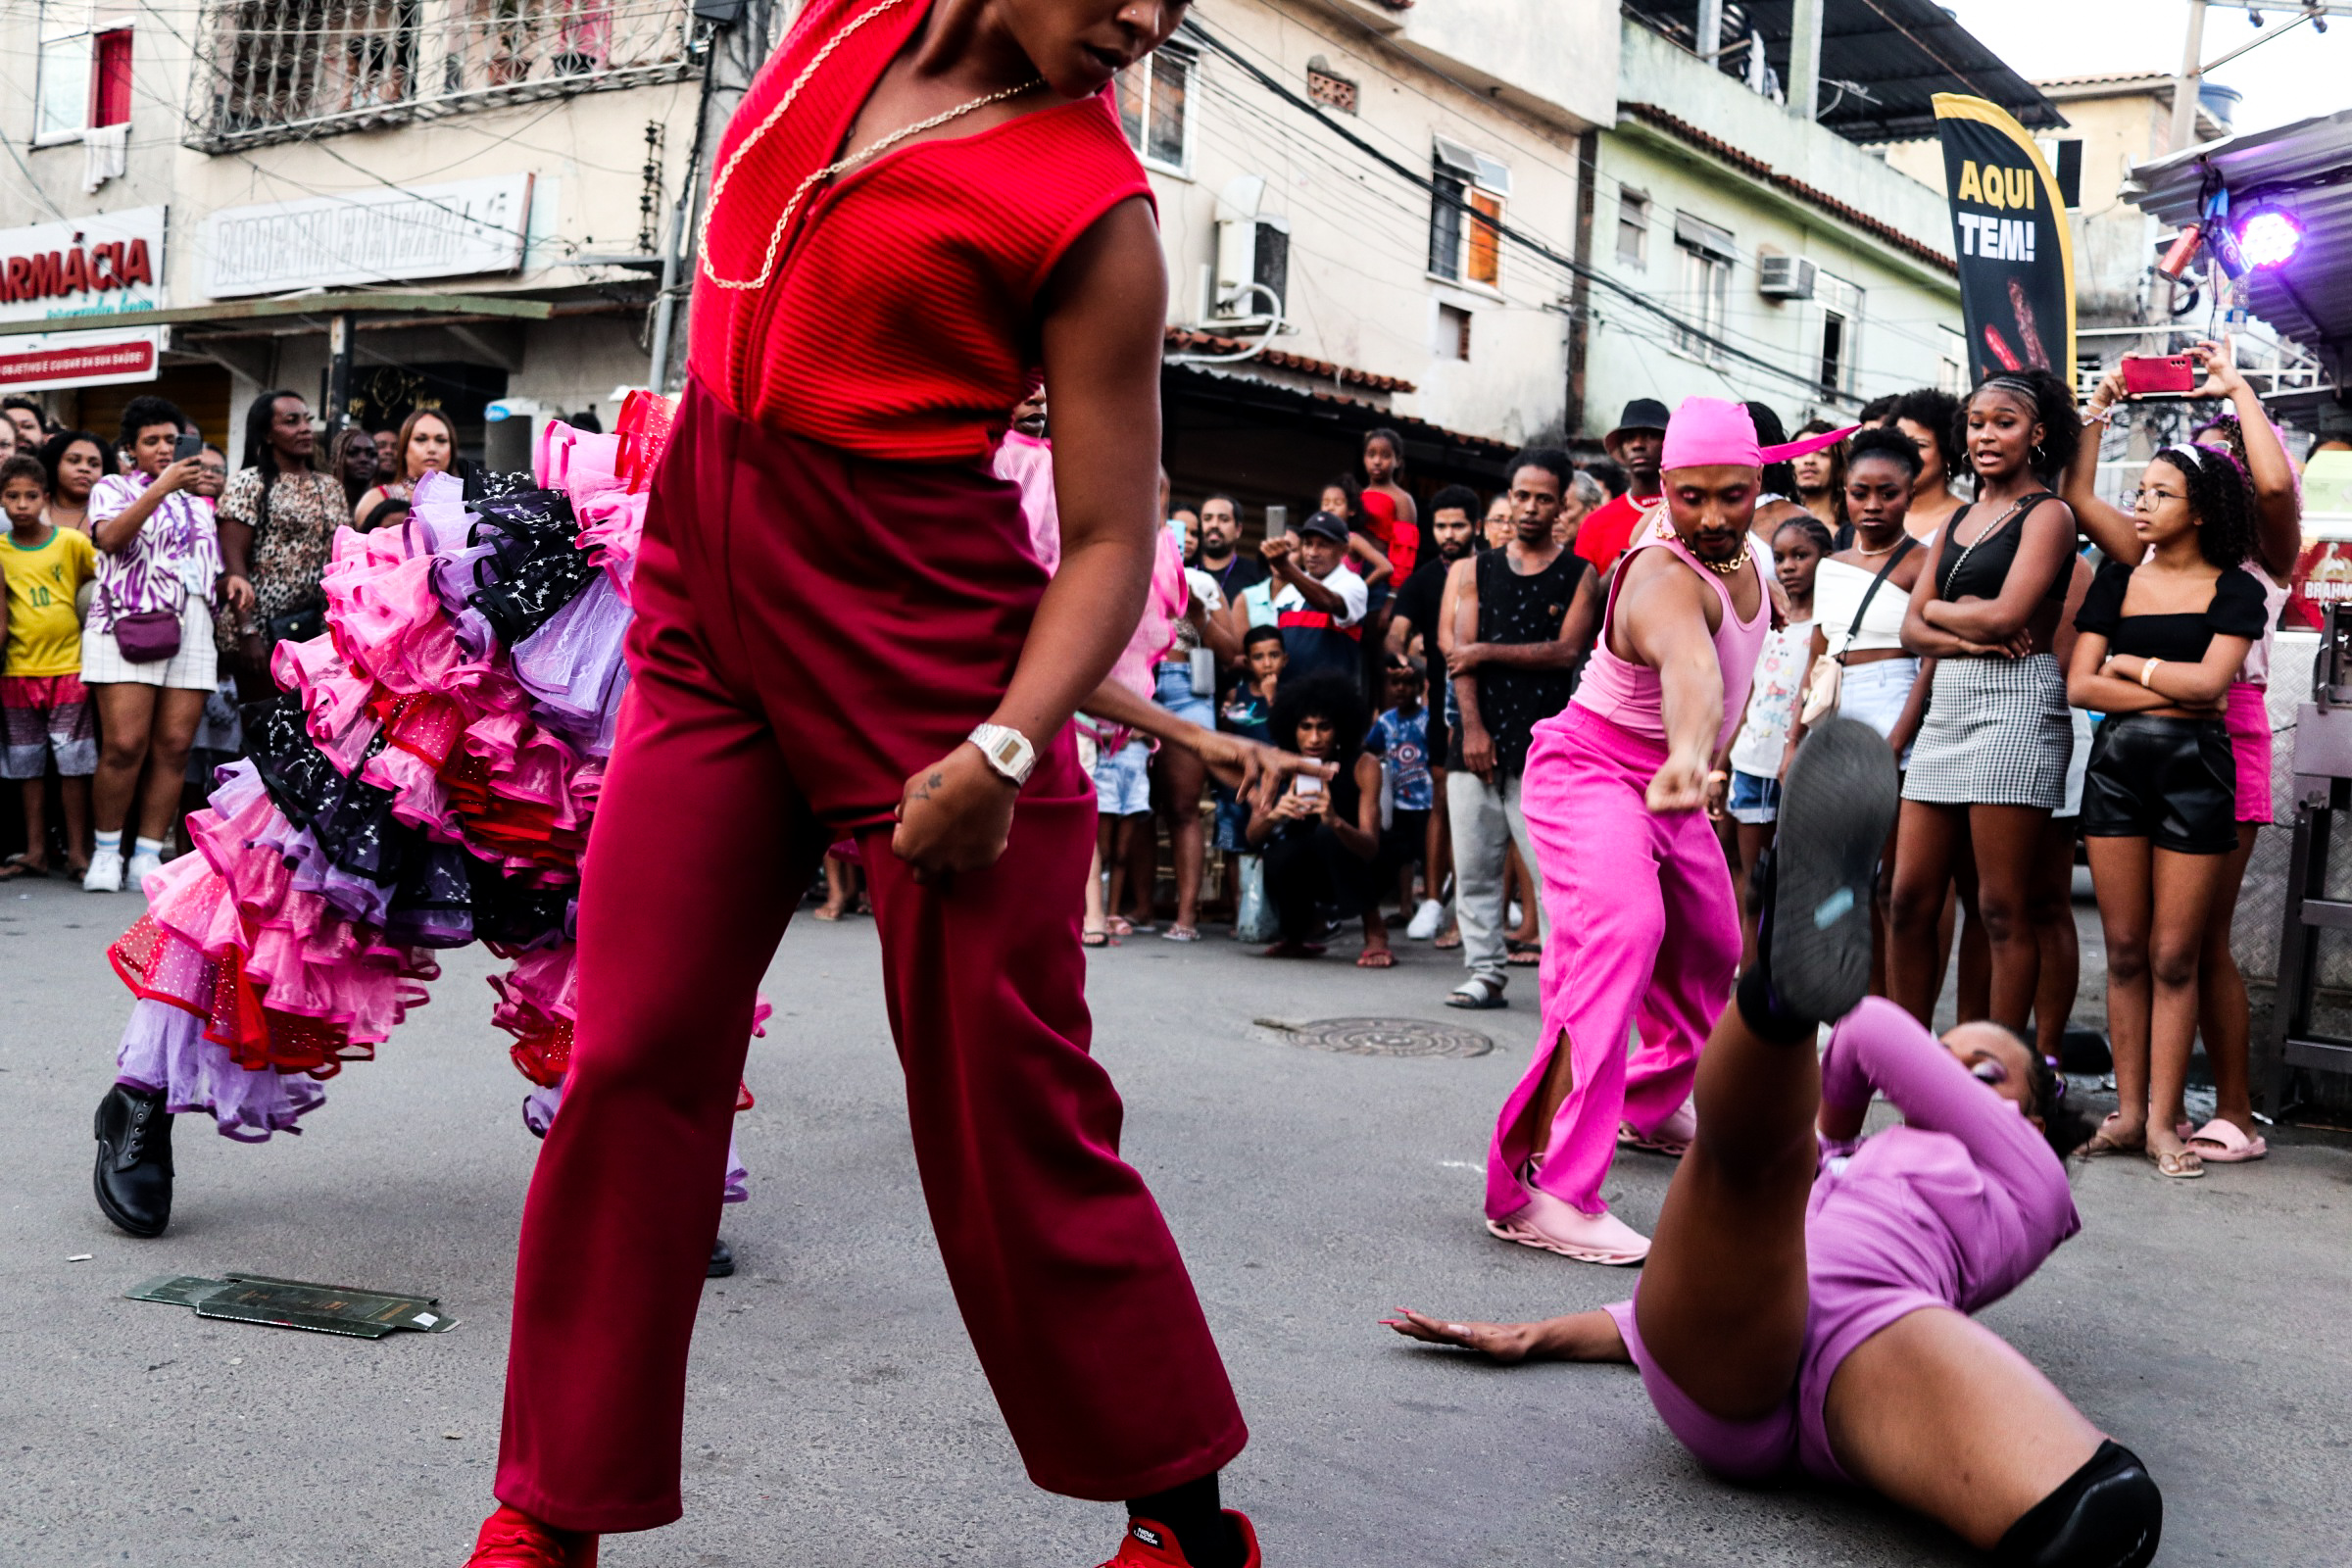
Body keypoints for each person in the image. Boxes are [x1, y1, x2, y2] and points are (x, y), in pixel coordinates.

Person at [465, 2, 1265, 1563]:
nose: (1151, 23)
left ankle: (1182, 1517)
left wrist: (1005, 745)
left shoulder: (1096, 208)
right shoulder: (844, 19)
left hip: (931, 656)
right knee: (627, 1053)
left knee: (1005, 1096)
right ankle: (546, 1516)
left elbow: (1109, 540)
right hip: (707, 603)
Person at [1388, 721, 2156, 1568]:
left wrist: (1837, 1121)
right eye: (1947, 1059)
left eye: (1984, 1071)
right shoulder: (1852, 1162)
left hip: (1867, 1343)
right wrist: (1533, 1336)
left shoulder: (2034, 1183)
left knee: (2107, 1511)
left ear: (2035, 1118)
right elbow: (1680, 1293)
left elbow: (1864, 1030)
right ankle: (1785, 983)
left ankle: (1785, 984)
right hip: (1727, 1346)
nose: (1945, 1078)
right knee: (1753, 1169)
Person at [1488, 401, 1844, 1265]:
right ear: (1664, 490)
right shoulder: (1658, 574)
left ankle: (1647, 1103)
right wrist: (1691, 750)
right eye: (1690, 498)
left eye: (1730, 495)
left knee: (1712, 947)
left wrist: (1696, 765)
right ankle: (1545, 1187)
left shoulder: (1757, 553)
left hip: (1671, 792)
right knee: (1622, 938)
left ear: (1761, 484)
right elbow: (1687, 660)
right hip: (1592, 772)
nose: (1711, 517)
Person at [2070, 340, 2296, 1167]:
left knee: (2195, 945)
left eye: (2166, 487)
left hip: (2222, 743)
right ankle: (2141, 1112)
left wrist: (2239, 388)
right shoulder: (2131, 566)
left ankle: (2223, 1110)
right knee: (2145, 948)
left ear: (2208, 501)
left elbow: (2270, 483)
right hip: (2136, 750)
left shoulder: (2253, 561)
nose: (2146, 499)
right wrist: (2097, 407)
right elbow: (2085, 683)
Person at [1888, 372, 2082, 1035]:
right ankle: (1907, 1060)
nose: (1986, 435)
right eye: (1976, 423)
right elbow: (1912, 629)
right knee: (1909, 897)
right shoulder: (1957, 520)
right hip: (1948, 707)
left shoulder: (2050, 515)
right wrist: (1959, 612)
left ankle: (1995, 1074)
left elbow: (2010, 617)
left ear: (2038, 434)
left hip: (2018, 708)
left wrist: (1948, 613)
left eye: (2004, 422)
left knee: (2001, 906)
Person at [1439, 449, 1597, 1011]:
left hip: (1545, 749)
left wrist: (1483, 649)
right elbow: (1461, 660)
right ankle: (1484, 974)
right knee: (1476, 870)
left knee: (1552, 875)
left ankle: (1565, 983)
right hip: (1476, 742)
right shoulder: (1475, 569)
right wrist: (1472, 730)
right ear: (1509, 499)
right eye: (1522, 496)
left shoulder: (1581, 574)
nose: (1530, 508)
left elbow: (1565, 652)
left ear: (1561, 505)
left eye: (1544, 498)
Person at [80, 397, 253, 896]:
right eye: (151, 441)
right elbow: (110, 539)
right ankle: (107, 852)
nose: (163, 448)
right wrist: (160, 488)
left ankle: (148, 855)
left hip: (193, 628)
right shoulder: (112, 488)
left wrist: (228, 585)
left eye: (170, 440)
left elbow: (203, 569)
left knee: (175, 747)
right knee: (124, 745)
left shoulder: (201, 505)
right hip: (127, 622)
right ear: (131, 449)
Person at [1788, 426, 1934, 996]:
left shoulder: (1923, 563)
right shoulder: (1831, 564)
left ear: (1911, 494)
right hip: (1834, 711)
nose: (1872, 505)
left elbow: (1931, 662)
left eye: (1888, 493)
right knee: (1840, 878)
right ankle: (1856, 1005)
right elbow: (1819, 651)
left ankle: (1895, 1016)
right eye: (1859, 492)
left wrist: (1900, 734)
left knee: (1890, 885)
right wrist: (1794, 741)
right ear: (1844, 493)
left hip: (1895, 702)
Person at [1722, 515, 1827, 966]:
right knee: (1753, 881)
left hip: (1797, 767)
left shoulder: (1826, 628)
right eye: (1781, 557)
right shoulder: (1767, 622)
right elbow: (1745, 694)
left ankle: (1792, 975)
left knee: (1795, 880)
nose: (1788, 567)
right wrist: (1720, 759)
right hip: (1750, 762)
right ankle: (1750, 974)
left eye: (1801, 556)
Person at [1, 454, 100, 879]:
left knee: (74, 766)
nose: (21, 505)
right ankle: (36, 851)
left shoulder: (71, 543)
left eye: (29, 496)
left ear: (45, 498)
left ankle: (78, 853)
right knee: (28, 769)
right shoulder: (0, 550)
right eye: (11, 496)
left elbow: (91, 590)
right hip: (18, 673)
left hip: (68, 669)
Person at [216, 390, 351, 702]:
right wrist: (248, 630)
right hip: (261, 630)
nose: (304, 428)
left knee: (312, 728)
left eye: (307, 420)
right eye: (291, 421)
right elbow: (233, 561)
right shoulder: (249, 483)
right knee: (268, 727)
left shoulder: (330, 487)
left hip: (317, 628)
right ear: (266, 433)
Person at [1387, 484, 1478, 940]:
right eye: (1440, 525)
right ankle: (1432, 901)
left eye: (1457, 524)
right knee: (1444, 802)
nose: (1448, 533)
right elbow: (1395, 637)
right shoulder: (1422, 581)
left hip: (1493, 701)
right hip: (1445, 708)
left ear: (1475, 526)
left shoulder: (1492, 569)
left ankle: (1477, 909)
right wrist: (1414, 665)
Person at [1248, 672, 1383, 961]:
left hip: (1365, 865)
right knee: (1278, 852)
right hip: (1312, 867)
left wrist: (1335, 821)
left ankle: (1375, 931)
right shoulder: (1280, 763)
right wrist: (1274, 814)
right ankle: (1296, 933)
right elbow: (1252, 836)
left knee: (1326, 834)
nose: (1314, 738)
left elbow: (1371, 847)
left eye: (1324, 727)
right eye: (1305, 727)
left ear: (1340, 728)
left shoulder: (1364, 765)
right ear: (1292, 729)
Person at [1151, 555, 1233, 941]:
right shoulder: (1129, 564)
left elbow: (1231, 654)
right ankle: (1130, 908)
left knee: (1183, 807)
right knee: (1130, 807)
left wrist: (1198, 613)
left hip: (1188, 686)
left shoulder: (1203, 583)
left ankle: (1186, 916)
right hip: (1137, 681)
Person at [1369, 657, 1435, 954]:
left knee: (1430, 853)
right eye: (1395, 683)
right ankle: (1406, 906)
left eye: (1407, 683)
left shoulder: (1429, 720)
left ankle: (1436, 900)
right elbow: (1368, 751)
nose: (1400, 689)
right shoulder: (1385, 722)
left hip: (1427, 800)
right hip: (1399, 802)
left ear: (1419, 687)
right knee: (1404, 856)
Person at [1263, 509, 1370, 686]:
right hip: (1289, 697)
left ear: (1344, 550)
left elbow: (1327, 602)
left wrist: (1285, 567)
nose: (1312, 552)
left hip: (1330, 700)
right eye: (1308, 544)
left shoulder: (1353, 584)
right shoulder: (1287, 593)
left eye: (1323, 545)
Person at [1574, 398, 1668, 572]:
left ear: (1669, 444)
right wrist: (1613, 577)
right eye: (1629, 438)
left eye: (1649, 436)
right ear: (1621, 449)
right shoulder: (1595, 525)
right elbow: (1584, 597)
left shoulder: (1688, 516)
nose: (1637, 445)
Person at [353, 408, 456, 533]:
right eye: (421, 439)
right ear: (404, 448)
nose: (432, 448)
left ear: (452, 450)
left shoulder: (468, 504)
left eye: (441, 440)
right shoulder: (376, 499)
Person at [1892, 387, 1966, 542]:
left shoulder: (1967, 521)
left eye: (1920, 445)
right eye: (1897, 442)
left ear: (1947, 454)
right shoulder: (1874, 514)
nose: (1905, 452)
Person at [1357, 426, 1420, 581]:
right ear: (1364, 458)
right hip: (1351, 569)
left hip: (1381, 574)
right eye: (1371, 455)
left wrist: (1393, 594)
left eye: (1385, 456)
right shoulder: (1356, 496)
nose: (1377, 461)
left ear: (1397, 461)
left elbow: (1404, 554)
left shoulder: (1402, 499)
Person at [38, 429, 113, 539]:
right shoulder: (35, 506)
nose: (84, 468)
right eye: (74, 461)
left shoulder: (112, 515)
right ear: (54, 465)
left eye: (94, 464)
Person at [1196, 492, 1266, 605]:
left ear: (1238, 529)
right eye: (1207, 518)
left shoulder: (1258, 575)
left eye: (1224, 519)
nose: (1214, 525)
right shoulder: (1184, 570)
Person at [1789, 416, 1848, 540]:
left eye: (1822, 454)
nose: (1809, 460)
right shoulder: (1772, 523)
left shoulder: (1849, 534)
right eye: (1800, 453)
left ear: (1840, 468)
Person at [328, 426, 380, 513]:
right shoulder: (322, 502)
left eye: (372, 454)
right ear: (335, 460)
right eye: (353, 453)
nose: (364, 459)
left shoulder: (384, 503)